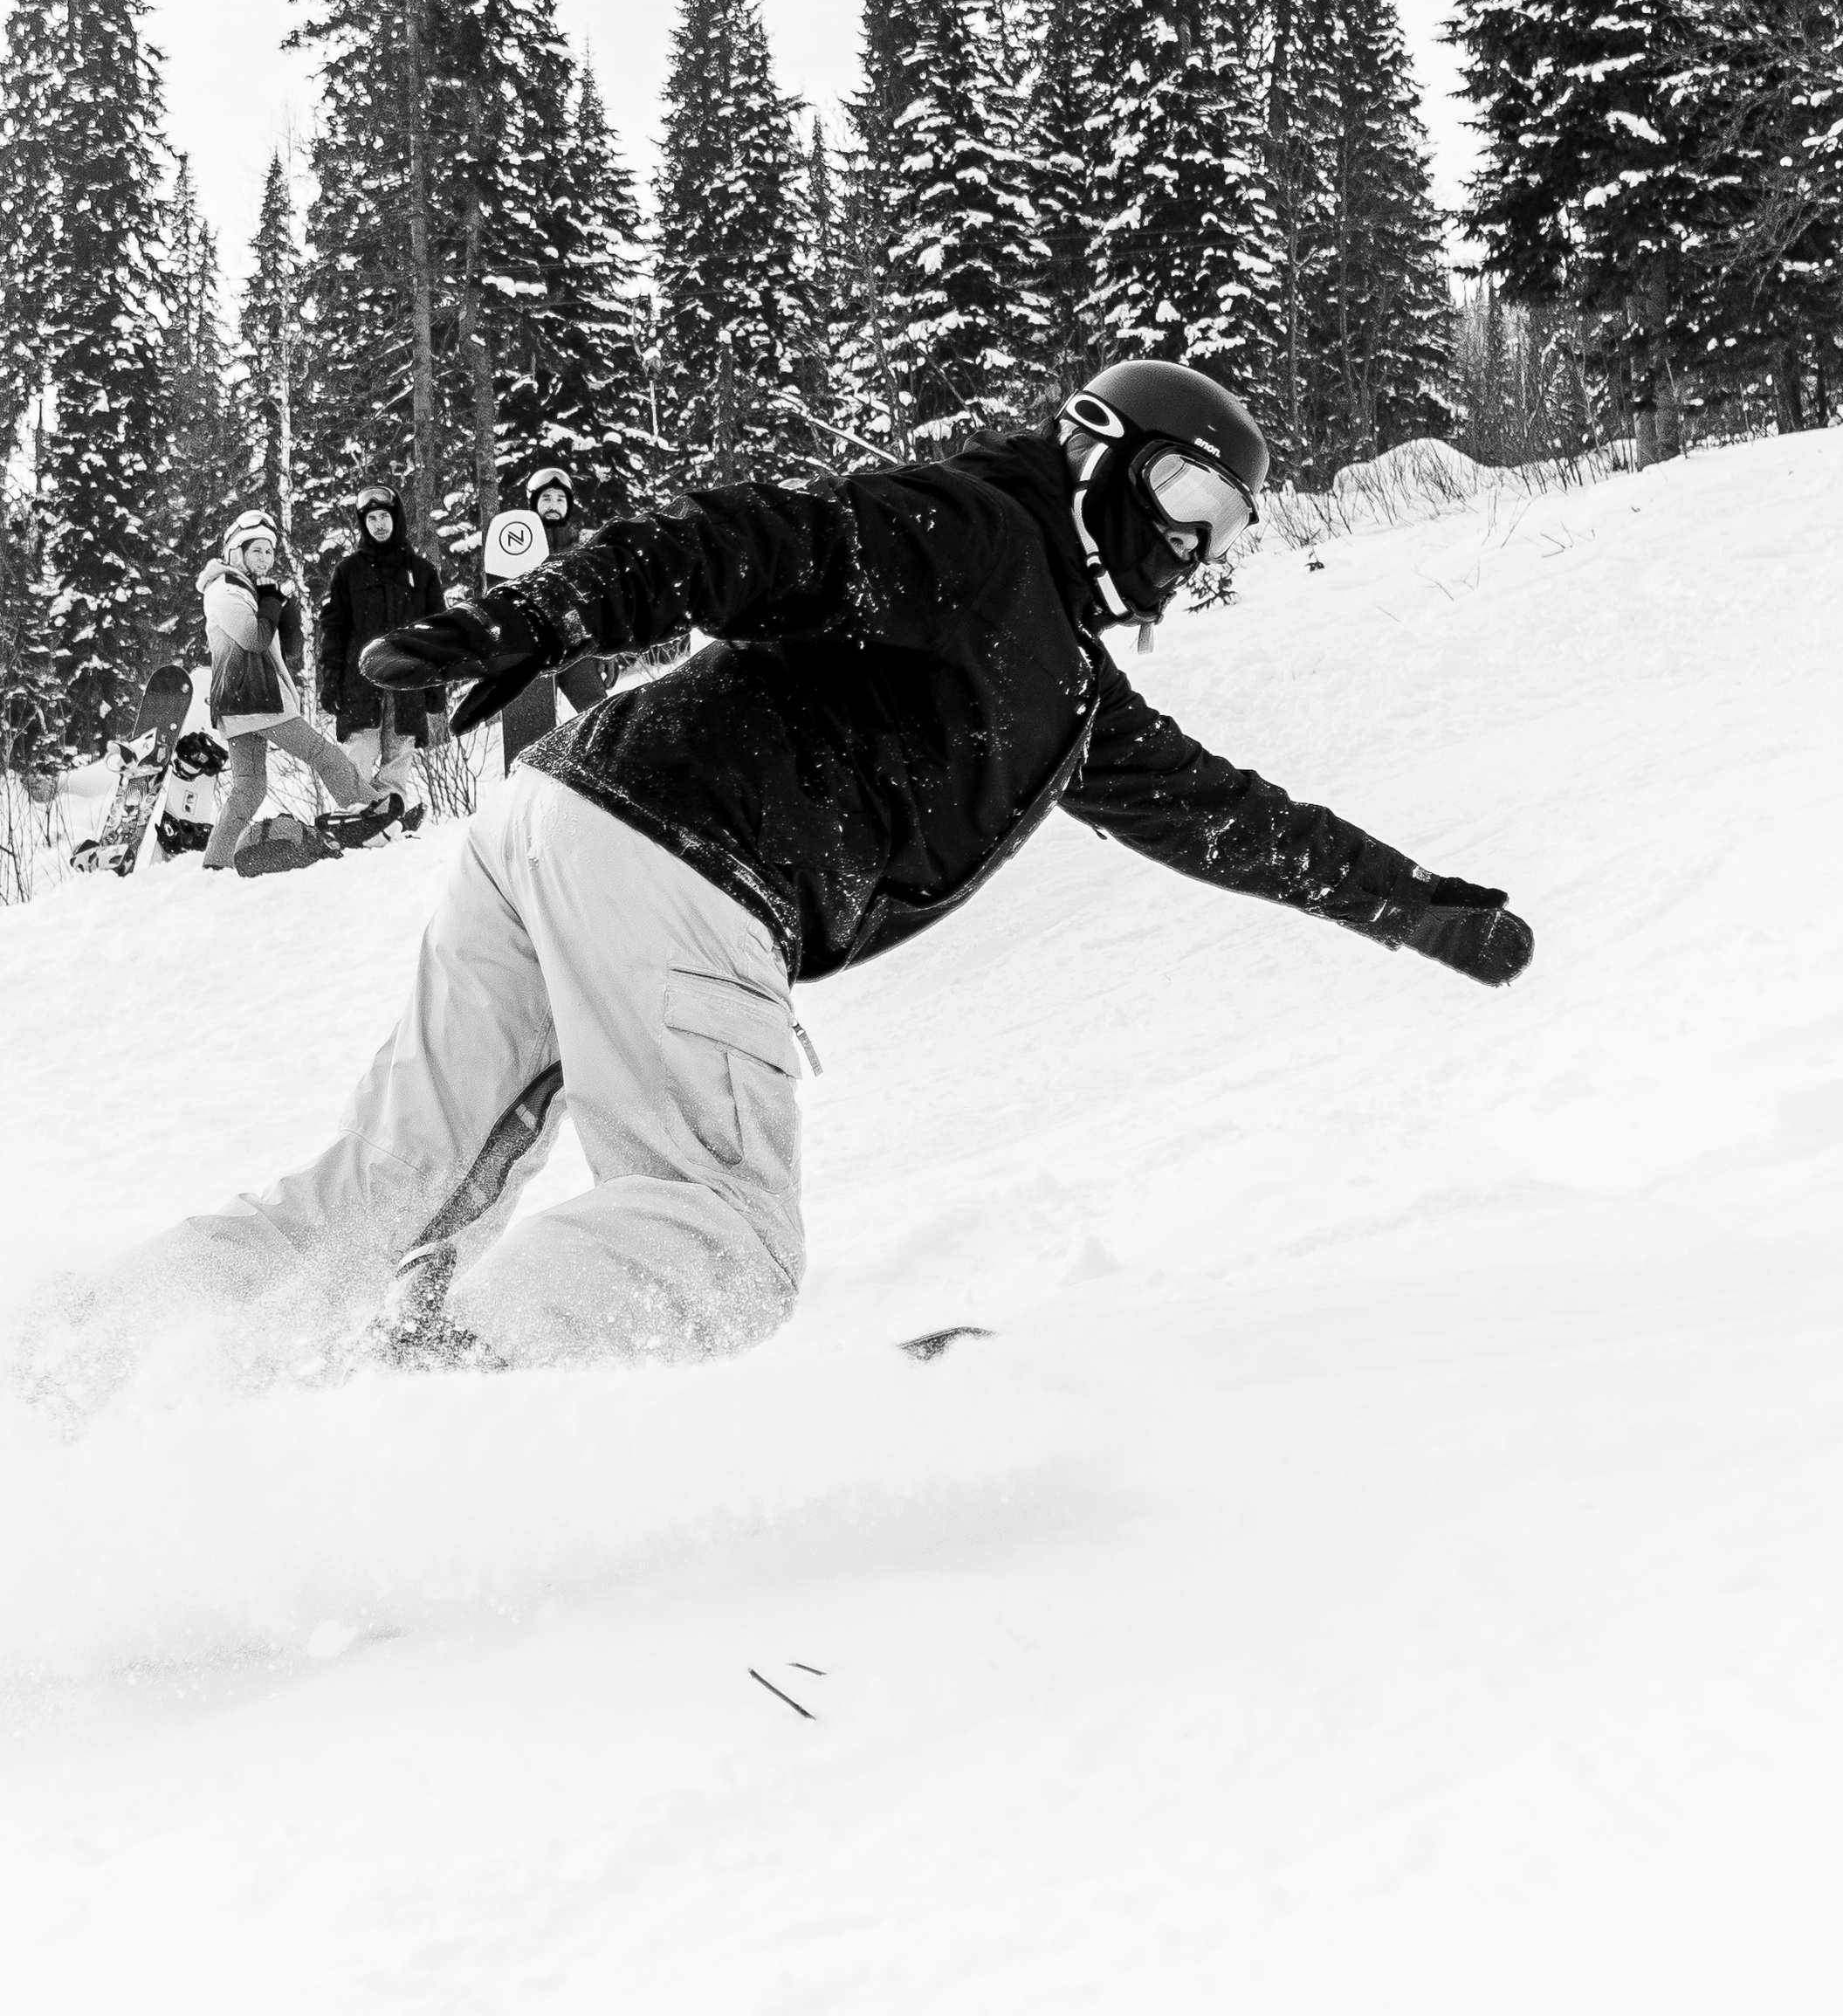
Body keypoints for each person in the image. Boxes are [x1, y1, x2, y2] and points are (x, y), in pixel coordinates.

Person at [123, 359, 1533, 1365]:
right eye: (1181, 492)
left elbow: (1227, 817)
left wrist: (1407, 904)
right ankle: (440, 1412)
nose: (1189, 544)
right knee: (720, 1238)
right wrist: (547, 616)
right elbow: (759, 544)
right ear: (1098, 450)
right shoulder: (983, 531)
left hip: (556, 828)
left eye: (1222, 532)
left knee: (382, 1200)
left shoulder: (1068, 692)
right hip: (684, 859)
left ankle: (84, 1361)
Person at [198, 512, 397, 872]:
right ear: (234, 552)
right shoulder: (222, 590)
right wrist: (272, 606)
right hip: (255, 699)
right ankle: (372, 813)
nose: (264, 559)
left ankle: (217, 863)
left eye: (269, 552)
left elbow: (287, 649)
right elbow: (253, 638)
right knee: (322, 753)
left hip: (243, 703)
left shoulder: (247, 590)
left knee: (250, 786)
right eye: (256, 550)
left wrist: (282, 610)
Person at [316, 480, 444, 832]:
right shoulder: (348, 572)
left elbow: (439, 632)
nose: (379, 525)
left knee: (399, 753)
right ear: (363, 524)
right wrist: (329, 681)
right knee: (359, 752)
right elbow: (334, 631)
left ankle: (388, 816)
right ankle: (351, 815)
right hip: (360, 682)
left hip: (408, 682)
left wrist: (438, 684)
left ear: (396, 518)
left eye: (384, 516)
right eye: (371, 519)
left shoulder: (422, 572)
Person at [494, 461, 615, 761]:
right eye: (546, 498)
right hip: (531, 651)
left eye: (560, 499)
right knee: (529, 740)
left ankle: (610, 774)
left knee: (601, 719)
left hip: (575, 646)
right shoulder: (513, 547)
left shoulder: (583, 550)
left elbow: (598, 603)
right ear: (533, 503)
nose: (553, 505)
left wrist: (608, 650)